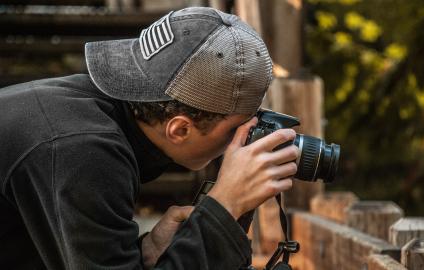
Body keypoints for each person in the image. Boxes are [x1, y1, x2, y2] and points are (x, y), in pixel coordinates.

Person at [0, 7, 298, 270]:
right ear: (180, 129)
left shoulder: (82, 115)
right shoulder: (80, 151)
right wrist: (224, 205)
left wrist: (146, 250)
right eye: (237, 129)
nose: (243, 141)